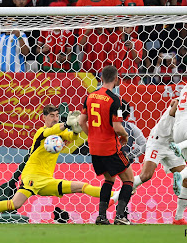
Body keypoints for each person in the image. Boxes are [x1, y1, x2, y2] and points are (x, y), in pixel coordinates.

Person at [0, 105, 117, 222]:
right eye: (51, 116)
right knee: (14, 204)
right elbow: (52, 131)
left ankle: (116, 194)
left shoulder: (60, 131)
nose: (55, 118)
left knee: (82, 187)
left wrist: (75, 130)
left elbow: (72, 137)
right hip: (32, 177)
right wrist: (67, 124)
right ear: (44, 118)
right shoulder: (41, 132)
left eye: (57, 115)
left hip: (47, 180)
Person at [114, 99, 187, 225]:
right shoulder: (181, 106)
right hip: (157, 142)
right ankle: (114, 199)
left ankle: (178, 218)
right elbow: (174, 105)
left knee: (186, 180)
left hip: (171, 145)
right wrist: (177, 105)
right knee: (146, 175)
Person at [79, 65, 134, 225]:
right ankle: (120, 216)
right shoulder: (114, 100)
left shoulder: (90, 97)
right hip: (110, 147)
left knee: (109, 179)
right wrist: (124, 135)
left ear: (101, 78)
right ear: (116, 79)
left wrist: (93, 136)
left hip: (95, 147)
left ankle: (102, 217)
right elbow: (117, 127)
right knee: (129, 180)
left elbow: (82, 122)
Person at [121, 99, 146, 163]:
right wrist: (130, 156)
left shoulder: (131, 127)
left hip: (110, 163)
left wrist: (130, 156)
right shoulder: (131, 127)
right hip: (126, 164)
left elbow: (143, 144)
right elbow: (143, 144)